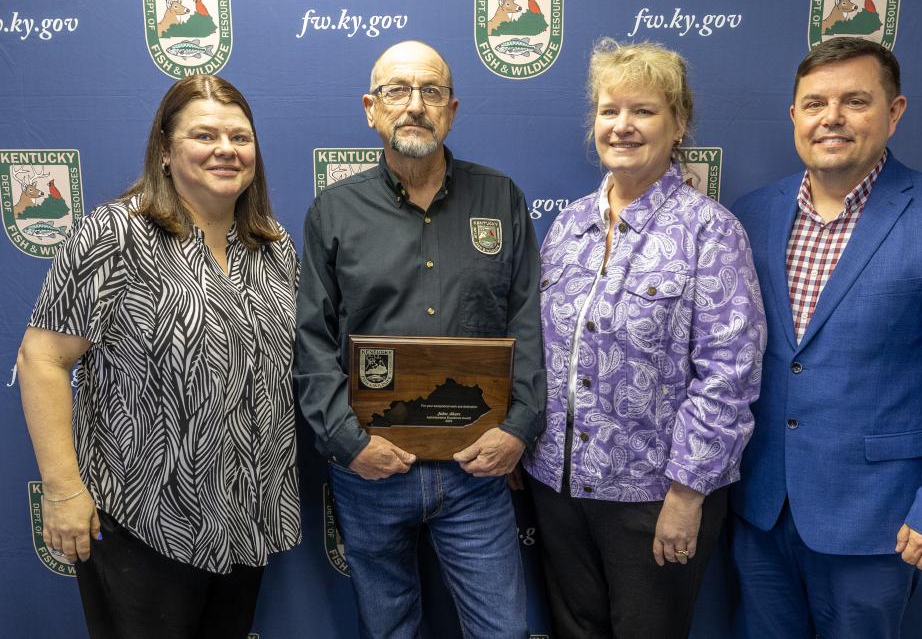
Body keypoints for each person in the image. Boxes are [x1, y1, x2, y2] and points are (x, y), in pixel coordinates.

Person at [728, 37, 922, 638]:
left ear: (895, 111)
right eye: (814, 104)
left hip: (877, 517)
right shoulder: (749, 215)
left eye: (855, 101)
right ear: (794, 117)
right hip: (760, 507)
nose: (831, 118)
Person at [17, 74, 301, 638]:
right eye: (205, 135)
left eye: (240, 138)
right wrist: (63, 489)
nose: (226, 149)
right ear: (166, 150)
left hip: (249, 519)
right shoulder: (115, 234)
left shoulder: (271, 244)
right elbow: (41, 358)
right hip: (143, 519)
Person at [294, 40, 544, 639]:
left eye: (431, 92)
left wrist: (518, 428)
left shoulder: (500, 197)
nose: (414, 106)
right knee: (390, 630)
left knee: (504, 631)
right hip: (372, 471)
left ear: (451, 111)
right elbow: (312, 340)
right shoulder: (333, 211)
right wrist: (348, 443)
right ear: (371, 109)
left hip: (475, 472)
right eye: (397, 92)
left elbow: (529, 322)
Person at [521, 38, 766, 638]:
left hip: (654, 497)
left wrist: (687, 495)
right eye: (610, 111)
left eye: (644, 111)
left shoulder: (710, 231)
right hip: (557, 485)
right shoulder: (568, 225)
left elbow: (728, 374)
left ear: (678, 124)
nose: (622, 126)